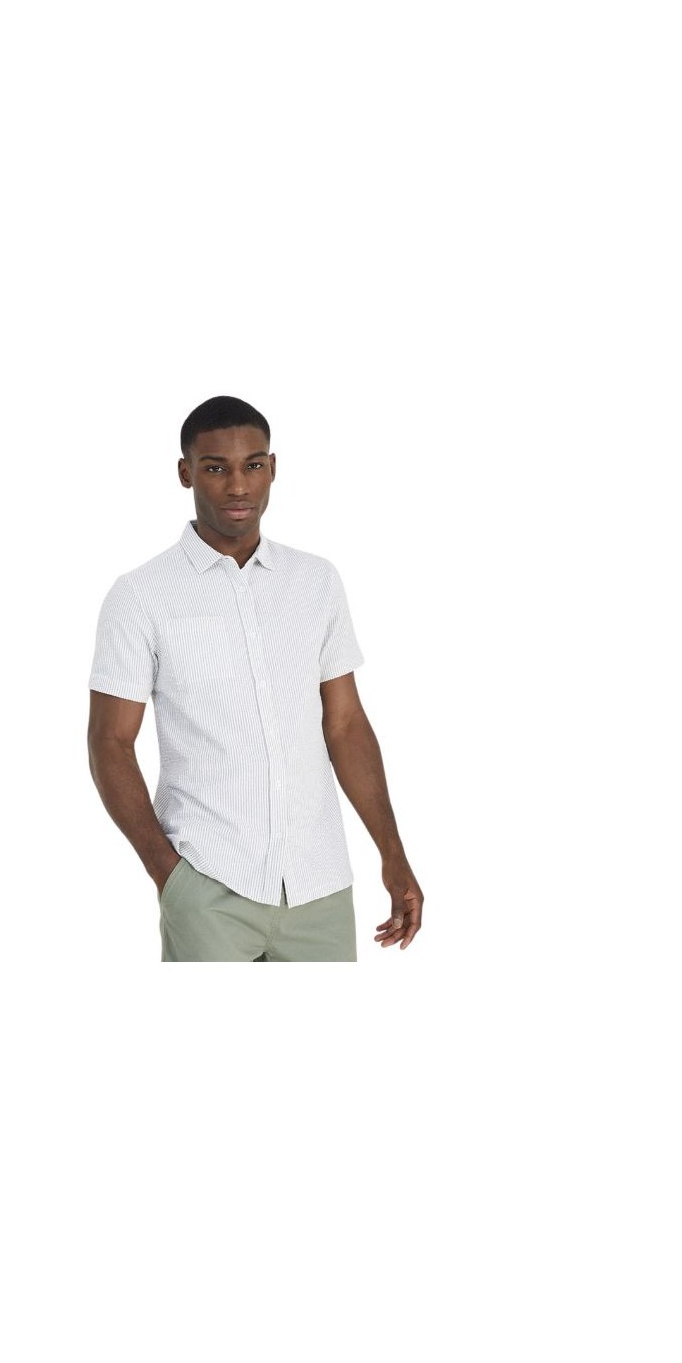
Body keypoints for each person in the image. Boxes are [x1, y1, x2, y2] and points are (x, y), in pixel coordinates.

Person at [87, 395, 423, 962]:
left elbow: (345, 725)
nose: (238, 486)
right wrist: (169, 876)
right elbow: (110, 743)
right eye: (216, 468)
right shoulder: (140, 596)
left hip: (319, 886)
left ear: (273, 468)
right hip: (209, 884)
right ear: (185, 472)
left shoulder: (316, 581)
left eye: (254, 465)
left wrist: (393, 853)